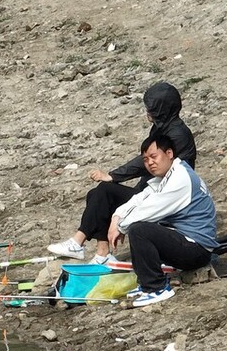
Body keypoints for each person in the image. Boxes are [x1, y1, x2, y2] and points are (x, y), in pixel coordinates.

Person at [48, 81, 196, 265]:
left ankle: (78, 242)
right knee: (98, 193)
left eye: (151, 108)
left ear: (161, 109)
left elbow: (144, 163)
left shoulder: (178, 134)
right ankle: (102, 254)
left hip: (163, 197)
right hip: (148, 191)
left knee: (105, 190)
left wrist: (114, 175)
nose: (147, 112)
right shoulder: (162, 127)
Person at [108, 134, 218, 307]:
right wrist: (116, 217)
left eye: (154, 157)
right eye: (145, 160)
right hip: (186, 241)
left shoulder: (180, 178)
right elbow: (140, 198)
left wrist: (121, 227)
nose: (150, 163)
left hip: (197, 250)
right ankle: (146, 284)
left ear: (169, 153)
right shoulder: (169, 175)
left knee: (139, 229)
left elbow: (148, 209)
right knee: (138, 226)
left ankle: (156, 288)